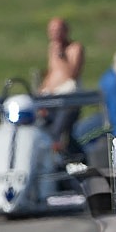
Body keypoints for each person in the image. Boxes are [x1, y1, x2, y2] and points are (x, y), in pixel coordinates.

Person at [39, 17, 86, 150]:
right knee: (44, 129)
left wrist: (61, 54)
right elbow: (52, 72)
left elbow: (72, 74)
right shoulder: (51, 48)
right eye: (52, 30)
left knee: (59, 132)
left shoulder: (75, 48)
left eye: (58, 30)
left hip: (68, 99)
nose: (55, 34)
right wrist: (41, 91)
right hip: (50, 97)